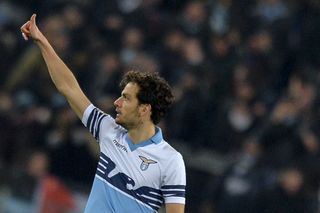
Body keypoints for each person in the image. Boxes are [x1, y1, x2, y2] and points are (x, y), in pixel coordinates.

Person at [20, 14, 186, 213]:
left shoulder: (170, 161)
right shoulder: (108, 129)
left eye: (126, 98)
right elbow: (69, 87)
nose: (117, 102)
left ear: (144, 109)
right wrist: (42, 41)